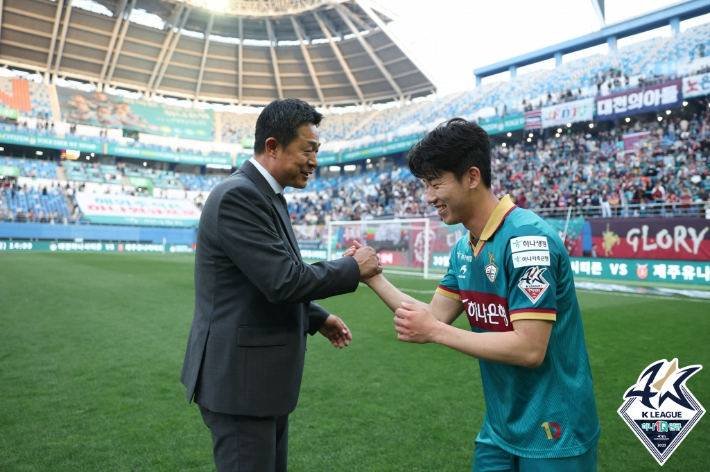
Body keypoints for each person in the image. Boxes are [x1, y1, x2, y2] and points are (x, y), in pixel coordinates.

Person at [349, 118, 600, 471]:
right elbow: (432, 316)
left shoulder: (528, 241)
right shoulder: (465, 248)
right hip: (500, 427)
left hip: (556, 430)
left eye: (436, 184)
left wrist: (435, 333)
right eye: (425, 185)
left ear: (471, 177)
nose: (429, 197)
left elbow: (530, 349)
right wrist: (373, 277)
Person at [180, 99, 382, 472]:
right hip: (242, 386)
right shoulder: (240, 196)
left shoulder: (264, 195)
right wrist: (354, 268)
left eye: (316, 150)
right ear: (272, 146)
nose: (314, 161)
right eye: (308, 149)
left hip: (257, 385)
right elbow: (283, 280)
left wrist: (315, 318)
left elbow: (260, 279)